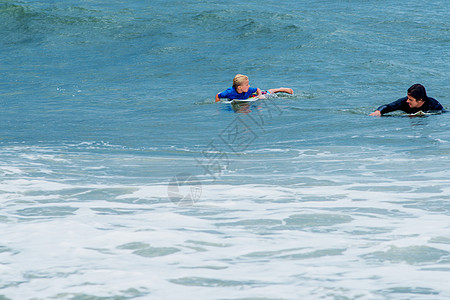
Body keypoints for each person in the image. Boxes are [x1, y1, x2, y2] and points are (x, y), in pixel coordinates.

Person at [369, 84, 444, 116]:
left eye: (411, 100)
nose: (407, 101)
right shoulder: (404, 102)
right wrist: (378, 111)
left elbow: (443, 113)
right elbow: (388, 106)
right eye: (408, 98)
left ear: (420, 100)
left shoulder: (433, 105)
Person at [215, 74, 293, 102]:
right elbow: (218, 95)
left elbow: (257, 89)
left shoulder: (249, 89)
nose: (249, 86)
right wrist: (218, 103)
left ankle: (280, 89)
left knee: (266, 93)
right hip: (243, 97)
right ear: (239, 87)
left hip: (249, 95)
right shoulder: (229, 92)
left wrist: (259, 96)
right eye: (247, 84)